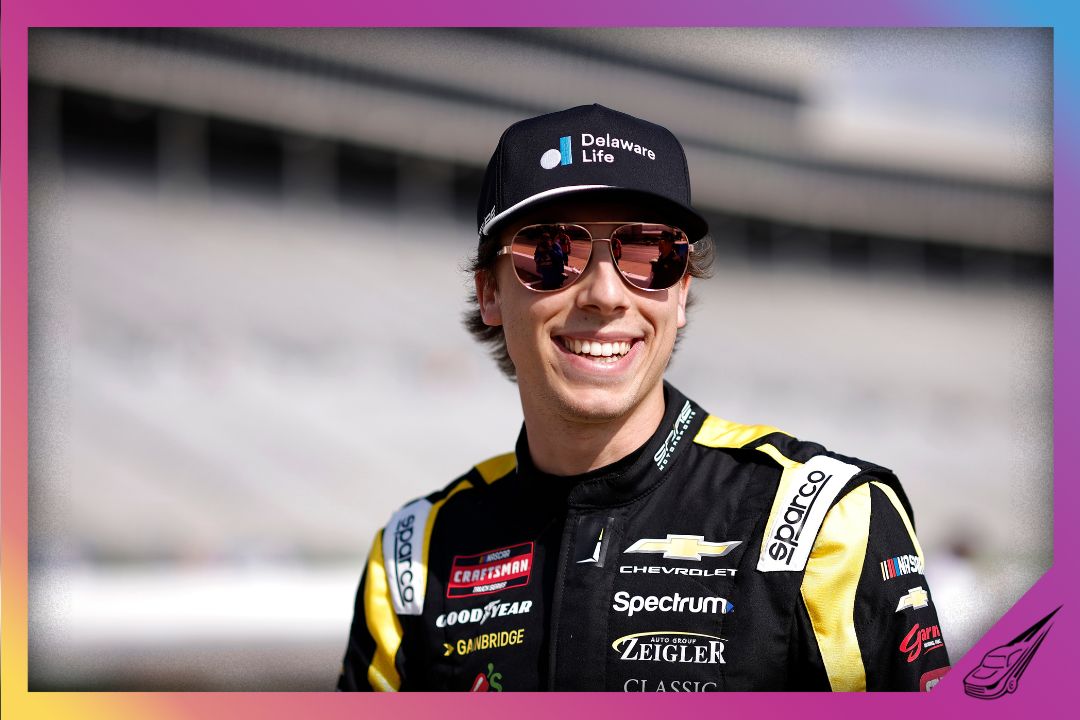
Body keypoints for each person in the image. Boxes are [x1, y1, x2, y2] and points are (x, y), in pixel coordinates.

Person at [337, 104, 950, 692]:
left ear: (680, 291)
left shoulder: (826, 521)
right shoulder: (415, 555)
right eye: (551, 253)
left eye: (649, 253)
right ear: (490, 293)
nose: (605, 294)